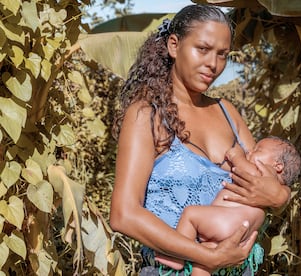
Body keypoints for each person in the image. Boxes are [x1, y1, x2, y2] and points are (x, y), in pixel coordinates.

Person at [109, 4, 291, 276]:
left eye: (222, 54)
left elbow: (265, 183)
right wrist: (208, 257)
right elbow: (124, 215)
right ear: (174, 45)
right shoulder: (147, 115)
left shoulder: (227, 112)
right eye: (203, 49)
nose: (213, 64)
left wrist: (281, 197)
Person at [154, 136, 301, 275]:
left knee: (190, 213)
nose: (250, 151)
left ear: (278, 166)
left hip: (226, 224)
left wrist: (236, 156)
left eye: (258, 150)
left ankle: (176, 256)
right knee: (204, 260)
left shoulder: (264, 173)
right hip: (239, 234)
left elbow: (246, 170)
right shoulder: (271, 184)